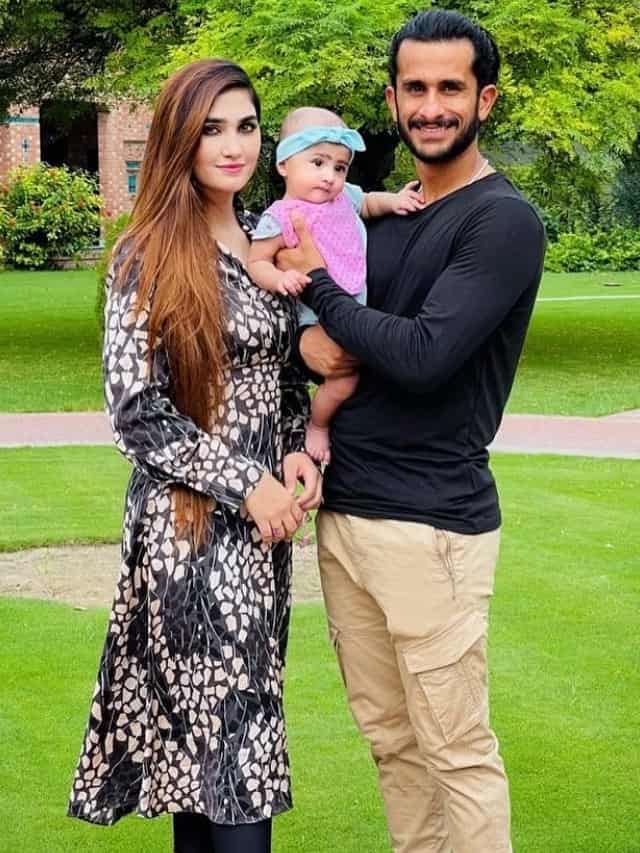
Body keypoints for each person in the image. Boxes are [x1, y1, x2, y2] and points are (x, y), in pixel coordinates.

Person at [277, 9, 546, 853]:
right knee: (393, 744)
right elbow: (321, 342)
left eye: (450, 88)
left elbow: (425, 355)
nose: (431, 107)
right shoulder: (380, 216)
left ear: (485, 100)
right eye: (415, 88)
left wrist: (323, 296)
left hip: (432, 526)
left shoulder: (502, 221)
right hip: (347, 512)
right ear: (392, 99)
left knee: (456, 750)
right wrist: (307, 343)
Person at [67, 59, 322, 853]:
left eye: (247, 125)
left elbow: (280, 375)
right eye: (212, 128)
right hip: (188, 534)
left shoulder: (264, 246)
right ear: (180, 137)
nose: (234, 144)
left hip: (261, 535)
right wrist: (247, 483)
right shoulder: (147, 253)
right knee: (234, 752)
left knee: (205, 763)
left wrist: (296, 451)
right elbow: (136, 412)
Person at [248, 106, 424, 463]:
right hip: (316, 316)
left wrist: (396, 201)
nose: (330, 176)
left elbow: (370, 203)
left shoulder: (344, 198)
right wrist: (281, 278)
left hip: (353, 307)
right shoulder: (280, 217)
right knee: (343, 379)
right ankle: (318, 425)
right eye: (318, 163)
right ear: (284, 165)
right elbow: (257, 261)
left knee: (369, 369)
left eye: (340, 168)